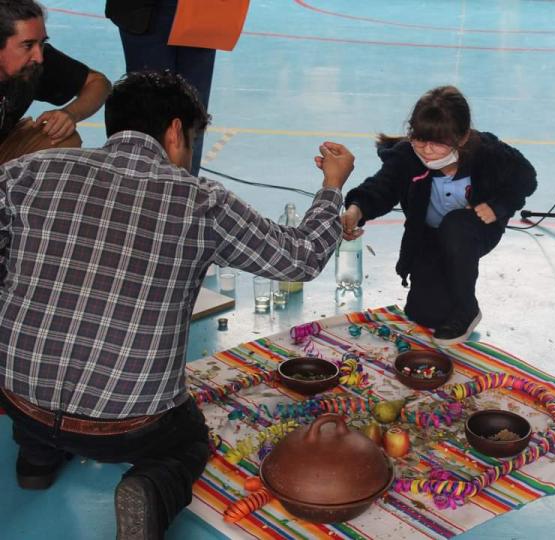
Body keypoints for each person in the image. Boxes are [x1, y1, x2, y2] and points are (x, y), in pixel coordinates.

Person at [0, 70, 354, 539]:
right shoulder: (201, 201)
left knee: (37, 381)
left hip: (14, 397)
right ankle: (149, 490)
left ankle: (37, 460)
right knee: (186, 440)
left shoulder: (27, 172)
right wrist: (332, 186)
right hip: (126, 424)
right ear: (173, 132)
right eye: (189, 140)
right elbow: (301, 258)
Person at [342, 86, 537, 345]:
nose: (426, 150)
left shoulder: (488, 153)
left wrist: (499, 206)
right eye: (420, 138)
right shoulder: (406, 157)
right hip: (430, 237)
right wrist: (356, 209)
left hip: (475, 230)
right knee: (425, 314)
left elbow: (526, 179)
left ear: (463, 137)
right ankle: (446, 286)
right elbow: (381, 187)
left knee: (456, 226)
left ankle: (468, 309)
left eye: (437, 143)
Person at [106, 0, 218, 176]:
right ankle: (137, 188)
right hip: (144, 11)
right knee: (145, 109)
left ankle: (186, 191)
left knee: (193, 112)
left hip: (203, 8)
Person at [0, 0, 111, 164]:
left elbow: (98, 83)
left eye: (41, 43)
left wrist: (70, 114)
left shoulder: (34, 65)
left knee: (60, 138)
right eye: (28, 45)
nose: (38, 56)